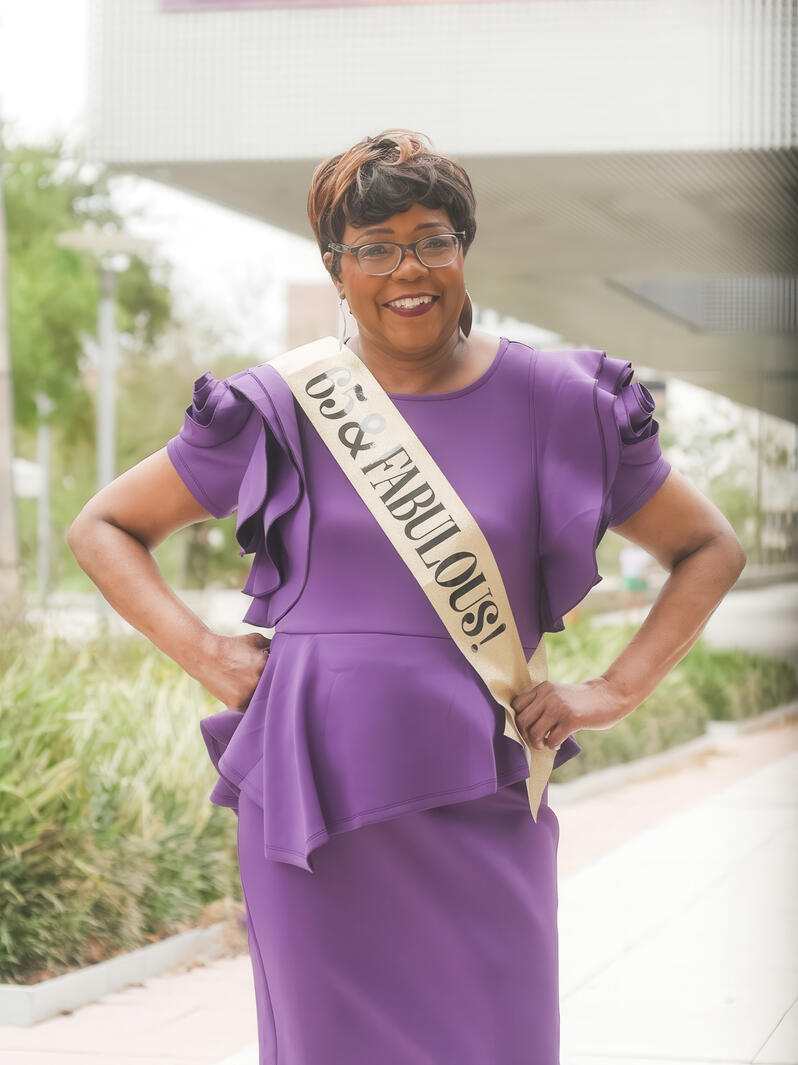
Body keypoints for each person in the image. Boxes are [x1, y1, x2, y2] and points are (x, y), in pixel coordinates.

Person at [67, 129, 746, 1065]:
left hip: (481, 788)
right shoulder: (282, 405)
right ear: (336, 269)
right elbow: (102, 528)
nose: (407, 269)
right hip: (314, 795)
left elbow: (709, 546)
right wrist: (211, 653)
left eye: (432, 238)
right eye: (374, 248)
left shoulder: (560, 399)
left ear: (465, 250)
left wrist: (613, 690)